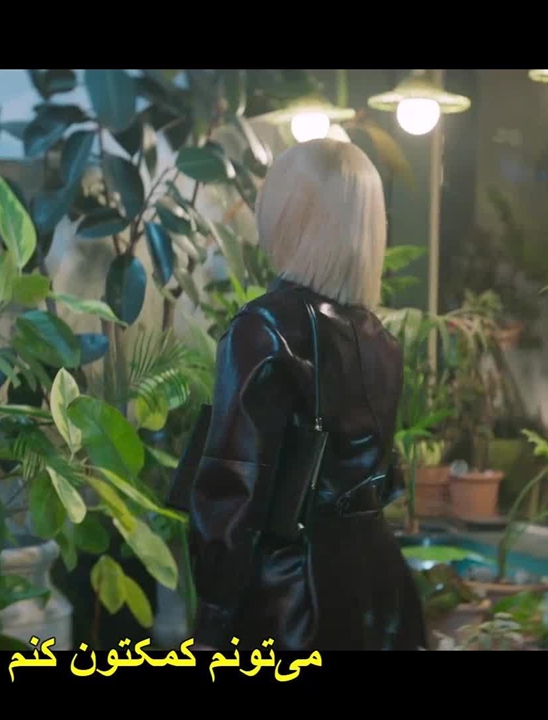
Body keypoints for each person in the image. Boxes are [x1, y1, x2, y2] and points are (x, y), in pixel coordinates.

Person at [181, 139, 427, 652]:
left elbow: (233, 494)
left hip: (291, 605)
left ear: (291, 216)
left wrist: (212, 619)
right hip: (380, 593)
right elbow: (381, 479)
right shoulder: (383, 342)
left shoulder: (265, 328)